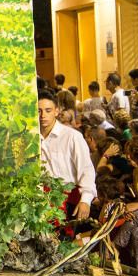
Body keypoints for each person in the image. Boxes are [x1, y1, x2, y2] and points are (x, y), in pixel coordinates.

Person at [38, 92, 95, 225]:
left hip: (67, 199)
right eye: (38, 111)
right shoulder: (30, 138)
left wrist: (86, 200)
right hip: (40, 200)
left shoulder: (72, 136)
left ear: (56, 111)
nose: (43, 116)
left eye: (48, 110)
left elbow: (86, 169)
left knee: (64, 241)